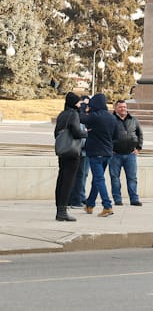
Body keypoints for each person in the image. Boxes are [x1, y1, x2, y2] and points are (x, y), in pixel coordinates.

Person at [80, 94, 117, 217]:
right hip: (107, 153)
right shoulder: (111, 118)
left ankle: (107, 206)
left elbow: (81, 118)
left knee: (99, 179)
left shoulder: (95, 116)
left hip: (96, 153)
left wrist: (84, 105)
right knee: (97, 179)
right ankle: (90, 205)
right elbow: (116, 136)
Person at [53, 92, 87, 222]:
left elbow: (56, 132)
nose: (80, 105)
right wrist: (85, 133)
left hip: (63, 150)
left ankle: (59, 209)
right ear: (74, 103)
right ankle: (63, 211)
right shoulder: (74, 114)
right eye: (78, 102)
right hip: (72, 152)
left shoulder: (62, 114)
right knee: (68, 181)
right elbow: (76, 132)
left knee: (61, 179)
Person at [109, 99, 143, 206]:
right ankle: (117, 199)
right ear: (115, 108)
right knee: (115, 178)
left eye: (124, 107)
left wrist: (138, 148)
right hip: (115, 155)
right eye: (120, 107)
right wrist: (110, 149)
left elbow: (140, 134)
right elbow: (106, 136)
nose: (123, 109)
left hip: (130, 155)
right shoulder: (111, 120)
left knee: (132, 178)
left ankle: (134, 199)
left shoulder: (133, 120)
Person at [67, 95, 91, 208]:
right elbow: (79, 134)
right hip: (79, 151)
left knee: (79, 175)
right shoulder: (77, 117)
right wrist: (86, 132)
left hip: (74, 150)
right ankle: (76, 199)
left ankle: (77, 197)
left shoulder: (68, 115)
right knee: (79, 176)